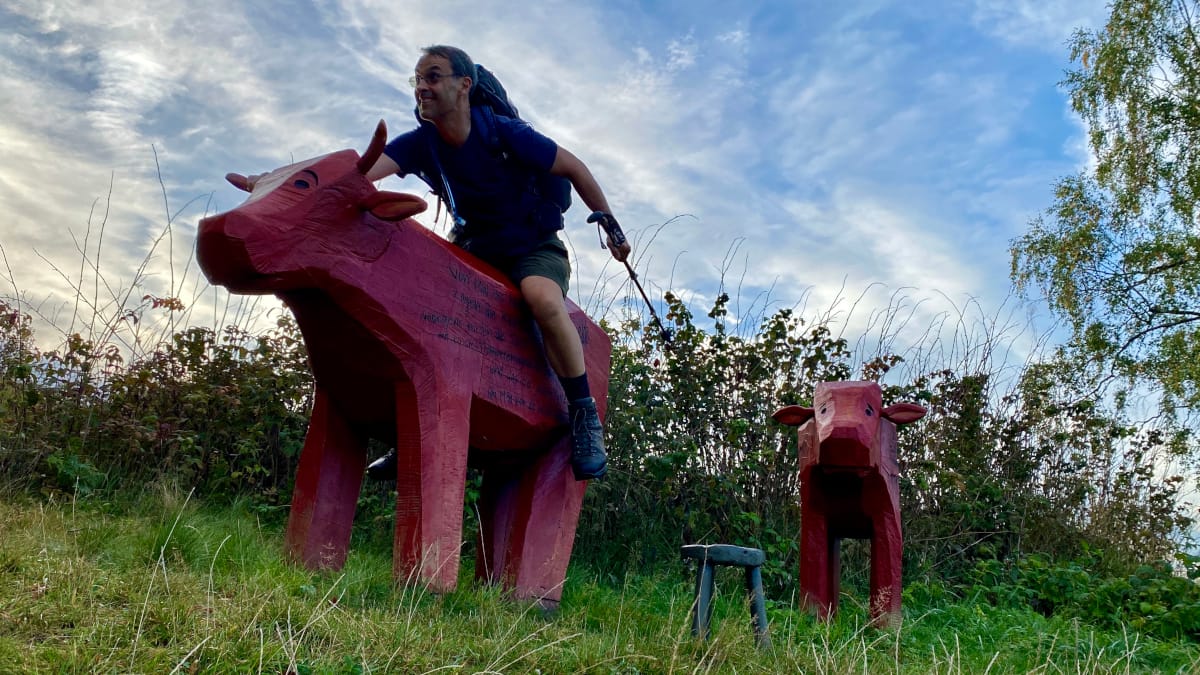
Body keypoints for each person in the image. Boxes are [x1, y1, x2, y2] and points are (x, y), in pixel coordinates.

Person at [364, 45, 629, 481]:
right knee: (422, 304)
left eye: (433, 76)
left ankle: (584, 416)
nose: (422, 87)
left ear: (463, 85)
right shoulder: (420, 144)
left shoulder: (505, 133)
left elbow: (575, 168)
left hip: (533, 246)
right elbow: (358, 172)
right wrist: (282, 181)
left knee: (542, 298)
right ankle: (409, 428)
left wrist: (611, 227)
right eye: (418, 79)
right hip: (474, 247)